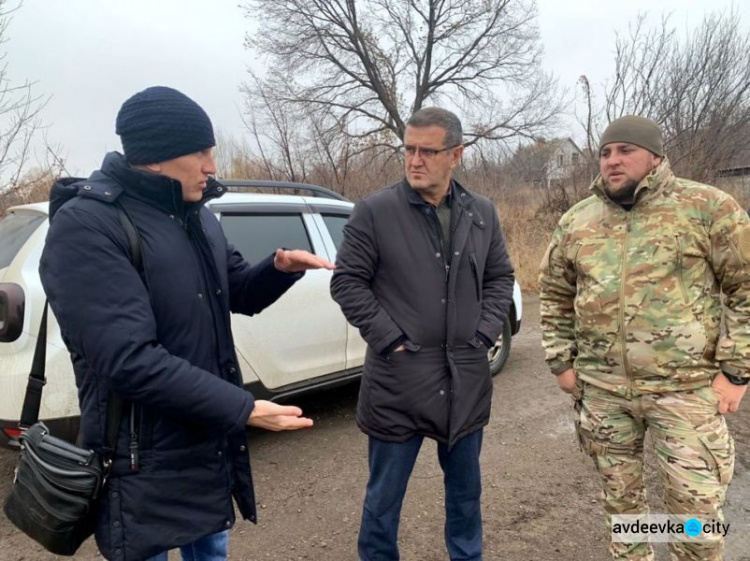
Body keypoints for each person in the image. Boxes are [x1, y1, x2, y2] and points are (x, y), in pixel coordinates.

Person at [39, 86, 334, 561]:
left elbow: (235, 289)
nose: (212, 166)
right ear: (157, 155)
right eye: (201, 151)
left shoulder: (197, 216)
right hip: (139, 465)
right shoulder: (88, 225)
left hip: (205, 447)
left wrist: (279, 270)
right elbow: (127, 359)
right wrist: (244, 407)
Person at [539, 115, 749, 560]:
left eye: (625, 150)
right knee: (624, 510)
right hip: (604, 395)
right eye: (605, 152)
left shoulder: (707, 207)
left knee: (696, 516)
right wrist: (562, 362)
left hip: (685, 392)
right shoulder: (579, 220)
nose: (612, 161)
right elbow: (556, 292)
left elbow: (745, 288)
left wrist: (737, 370)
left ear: (654, 156)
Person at [330, 107, 515, 561]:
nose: (415, 160)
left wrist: (484, 332)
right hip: (398, 382)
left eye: (427, 151)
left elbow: (500, 277)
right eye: (408, 149)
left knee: (466, 497)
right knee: (383, 504)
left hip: (465, 381)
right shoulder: (375, 212)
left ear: (456, 155)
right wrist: (391, 340)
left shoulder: (481, 214)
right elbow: (347, 282)